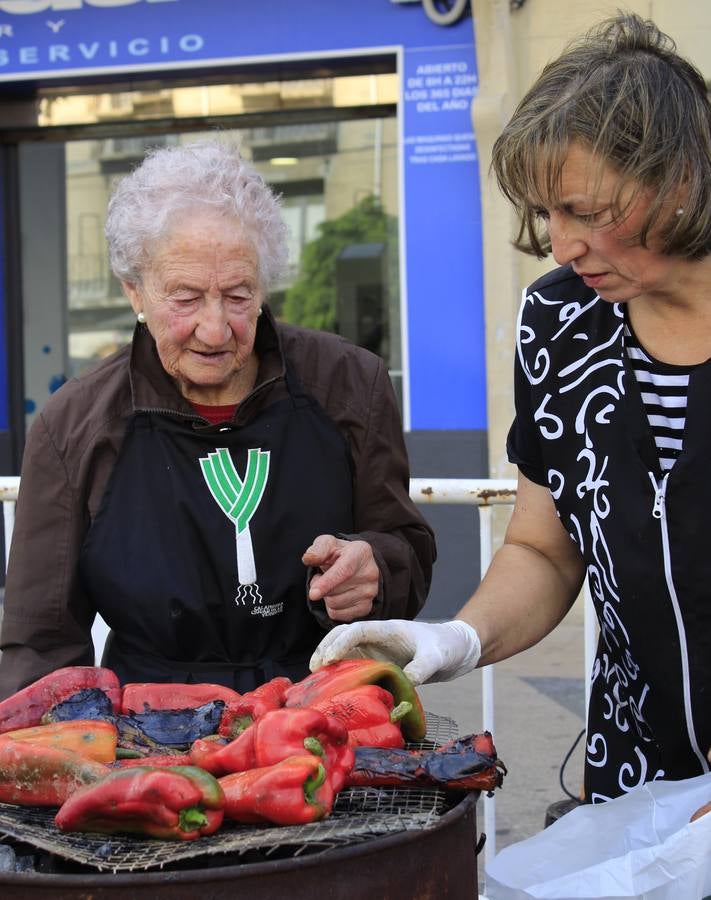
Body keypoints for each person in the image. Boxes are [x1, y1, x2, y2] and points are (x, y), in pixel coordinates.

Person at [310, 13, 711, 803]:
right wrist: (457, 638)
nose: (561, 245)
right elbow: (543, 547)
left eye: (585, 211)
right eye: (546, 213)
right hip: (638, 783)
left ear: (680, 179)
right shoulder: (559, 323)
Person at [0, 140, 435, 697]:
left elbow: (406, 548)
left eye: (237, 295)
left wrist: (377, 569)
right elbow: (43, 643)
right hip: (149, 725)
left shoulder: (351, 385)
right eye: (185, 298)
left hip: (321, 707)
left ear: (264, 285)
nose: (214, 329)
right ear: (135, 289)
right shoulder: (75, 424)